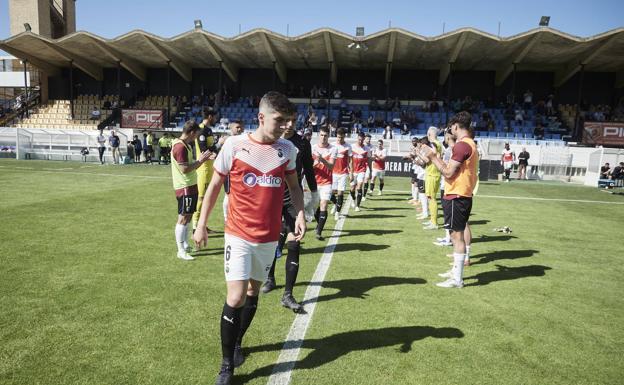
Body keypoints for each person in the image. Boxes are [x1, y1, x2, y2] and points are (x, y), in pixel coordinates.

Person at [193, 91, 306, 385]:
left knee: (254, 294)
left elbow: (294, 186)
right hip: (238, 235)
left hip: (269, 238)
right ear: (261, 117)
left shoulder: (288, 150)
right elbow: (215, 186)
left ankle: (238, 342)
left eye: (288, 121)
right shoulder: (235, 145)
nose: (285, 126)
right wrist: (202, 224)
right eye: (279, 120)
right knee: (235, 296)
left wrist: (301, 214)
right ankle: (227, 365)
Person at [262, 108, 318, 313]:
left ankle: (288, 294)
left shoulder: (303, 142)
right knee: (273, 241)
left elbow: (309, 169)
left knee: (295, 243)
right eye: (288, 120)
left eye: (294, 120)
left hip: (292, 200)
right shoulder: (271, 141)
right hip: (271, 199)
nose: (291, 124)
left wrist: (315, 193)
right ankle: (269, 278)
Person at [418, 111, 478, 288]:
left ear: (456, 127)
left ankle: (457, 279)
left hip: (457, 194)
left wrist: (432, 156)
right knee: (455, 235)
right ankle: (455, 272)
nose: (449, 130)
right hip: (460, 193)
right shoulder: (468, 144)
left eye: (451, 127)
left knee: (456, 236)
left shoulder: (462, 146)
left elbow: (448, 172)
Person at [171, 121, 213, 261]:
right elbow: (184, 169)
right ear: (192, 133)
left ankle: (184, 245)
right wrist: (200, 161)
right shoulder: (180, 147)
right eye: (196, 134)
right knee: (183, 218)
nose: (197, 137)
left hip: (190, 185)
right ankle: (180, 250)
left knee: (188, 216)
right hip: (185, 187)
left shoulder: (184, 145)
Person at [192, 109, 219, 233]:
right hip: (203, 169)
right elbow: (204, 150)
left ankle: (202, 225)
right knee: (201, 198)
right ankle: (194, 227)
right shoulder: (201, 129)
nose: (216, 119)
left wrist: (216, 148)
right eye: (215, 117)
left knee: (207, 198)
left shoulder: (208, 130)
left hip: (209, 168)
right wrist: (218, 146)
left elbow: (211, 149)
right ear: (209, 116)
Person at [311, 126, 337, 240]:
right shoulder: (312, 148)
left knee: (324, 204)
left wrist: (322, 160)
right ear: (318, 136)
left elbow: (331, 166)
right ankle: (319, 224)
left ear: (328, 136)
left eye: (325, 135)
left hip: (326, 182)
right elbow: (308, 166)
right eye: (321, 135)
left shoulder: (333, 149)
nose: (323, 137)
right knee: (313, 208)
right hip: (314, 181)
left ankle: (319, 232)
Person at [423, 126, 443, 230]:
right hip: (432, 173)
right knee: (430, 197)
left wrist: (424, 150)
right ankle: (432, 220)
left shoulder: (435, 144)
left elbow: (433, 155)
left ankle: (434, 223)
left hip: (433, 174)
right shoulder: (437, 143)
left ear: (430, 134)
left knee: (431, 198)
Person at [330, 128, 352, 220]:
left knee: (340, 193)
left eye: (341, 137)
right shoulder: (332, 145)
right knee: (330, 193)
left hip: (343, 173)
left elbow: (350, 161)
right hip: (333, 173)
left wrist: (351, 173)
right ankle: (336, 204)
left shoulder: (348, 146)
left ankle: (338, 212)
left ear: (344, 136)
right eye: (338, 137)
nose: (339, 139)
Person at [349, 132, 372, 212]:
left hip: (362, 170)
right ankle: (353, 199)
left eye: (362, 140)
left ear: (364, 139)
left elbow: (369, 161)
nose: (360, 141)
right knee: (352, 189)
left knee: (359, 186)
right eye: (359, 139)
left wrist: (371, 171)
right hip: (353, 171)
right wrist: (350, 172)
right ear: (357, 138)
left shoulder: (367, 149)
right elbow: (349, 161)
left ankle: (357, 206)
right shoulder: (351, 147)